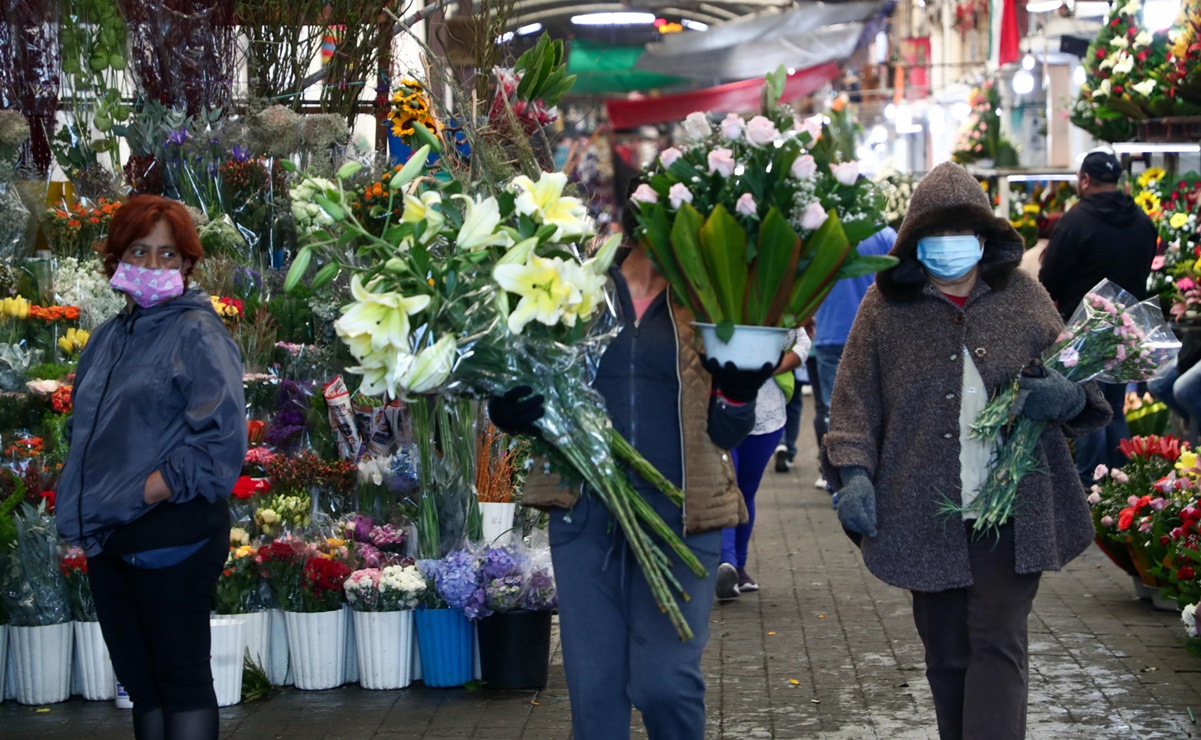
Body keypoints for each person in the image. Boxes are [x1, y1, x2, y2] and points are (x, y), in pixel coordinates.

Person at [822, 162, 1111, 740]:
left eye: (963, 236)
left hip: (1013, 511)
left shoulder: (1025, 297)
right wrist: (852, 474)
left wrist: (1063, 397)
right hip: (922, 511)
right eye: (936, 237)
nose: (950, 250)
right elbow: (854, 400)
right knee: (947, 655)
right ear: (914, 244)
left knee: (998, 643)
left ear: (985, 240)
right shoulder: (883, 310)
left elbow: (1084, 391)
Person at [487, 203, 773, 739]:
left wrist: (739, 394)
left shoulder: (713, 299)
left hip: (684, 516)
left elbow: (731, 429)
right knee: (595, 696)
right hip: (585, 513)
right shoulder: (575, 285)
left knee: (665, 683)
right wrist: (508, 408)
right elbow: (526, 378)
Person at [56, 195, 248, 740]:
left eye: (168, 255)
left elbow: (219, 446)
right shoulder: (108, 338)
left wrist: (143, 491)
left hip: (171, 534)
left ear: (187, 264)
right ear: (117, 258)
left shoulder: (198, 333)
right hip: (110, 537)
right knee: (143, 687)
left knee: (181, 681)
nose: (154, 266)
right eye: (140, 252)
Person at [1039, 150, 1157, 480]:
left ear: (1085, 180)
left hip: (1082, 333)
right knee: (1115, 408)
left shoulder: (1075, 222)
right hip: (1124, 330)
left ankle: (1089, 484)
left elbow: (1050, 281)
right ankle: (1120, 484)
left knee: (1089, 410)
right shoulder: (1143, 221)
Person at [778, 226, 897, 485]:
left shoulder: (822, 233)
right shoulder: (884, 235)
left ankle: (832, 474)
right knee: (874, 404)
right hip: (873, 331)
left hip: (828, 330)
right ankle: (869, 473)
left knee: (829, 406)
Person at [719, 330, 808, 598]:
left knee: (745, 491)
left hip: (767, 412)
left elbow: (803, 342)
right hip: (720, 407)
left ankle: (740, 566)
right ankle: (726, 564)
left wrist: (774, 368)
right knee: (725, 485)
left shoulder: (783, 297)